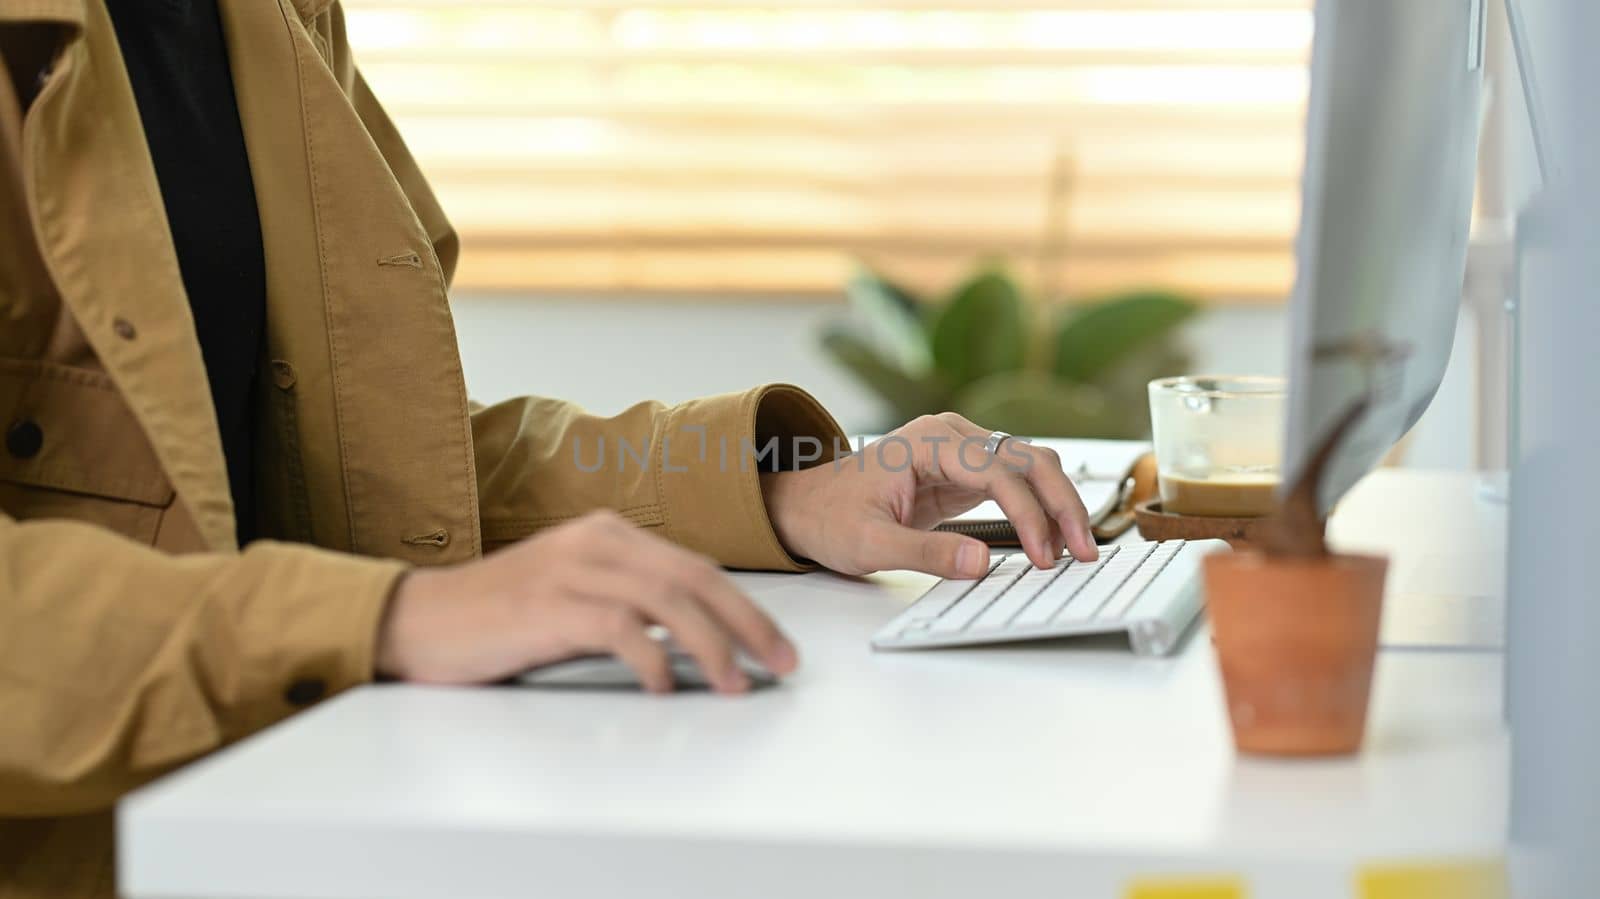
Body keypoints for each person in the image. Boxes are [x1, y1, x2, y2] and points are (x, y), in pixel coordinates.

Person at [0, 1, 1097, 896]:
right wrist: (386, 614)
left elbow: (367, 460)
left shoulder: (269, 21)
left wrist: (781, 492)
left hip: (296, 815)